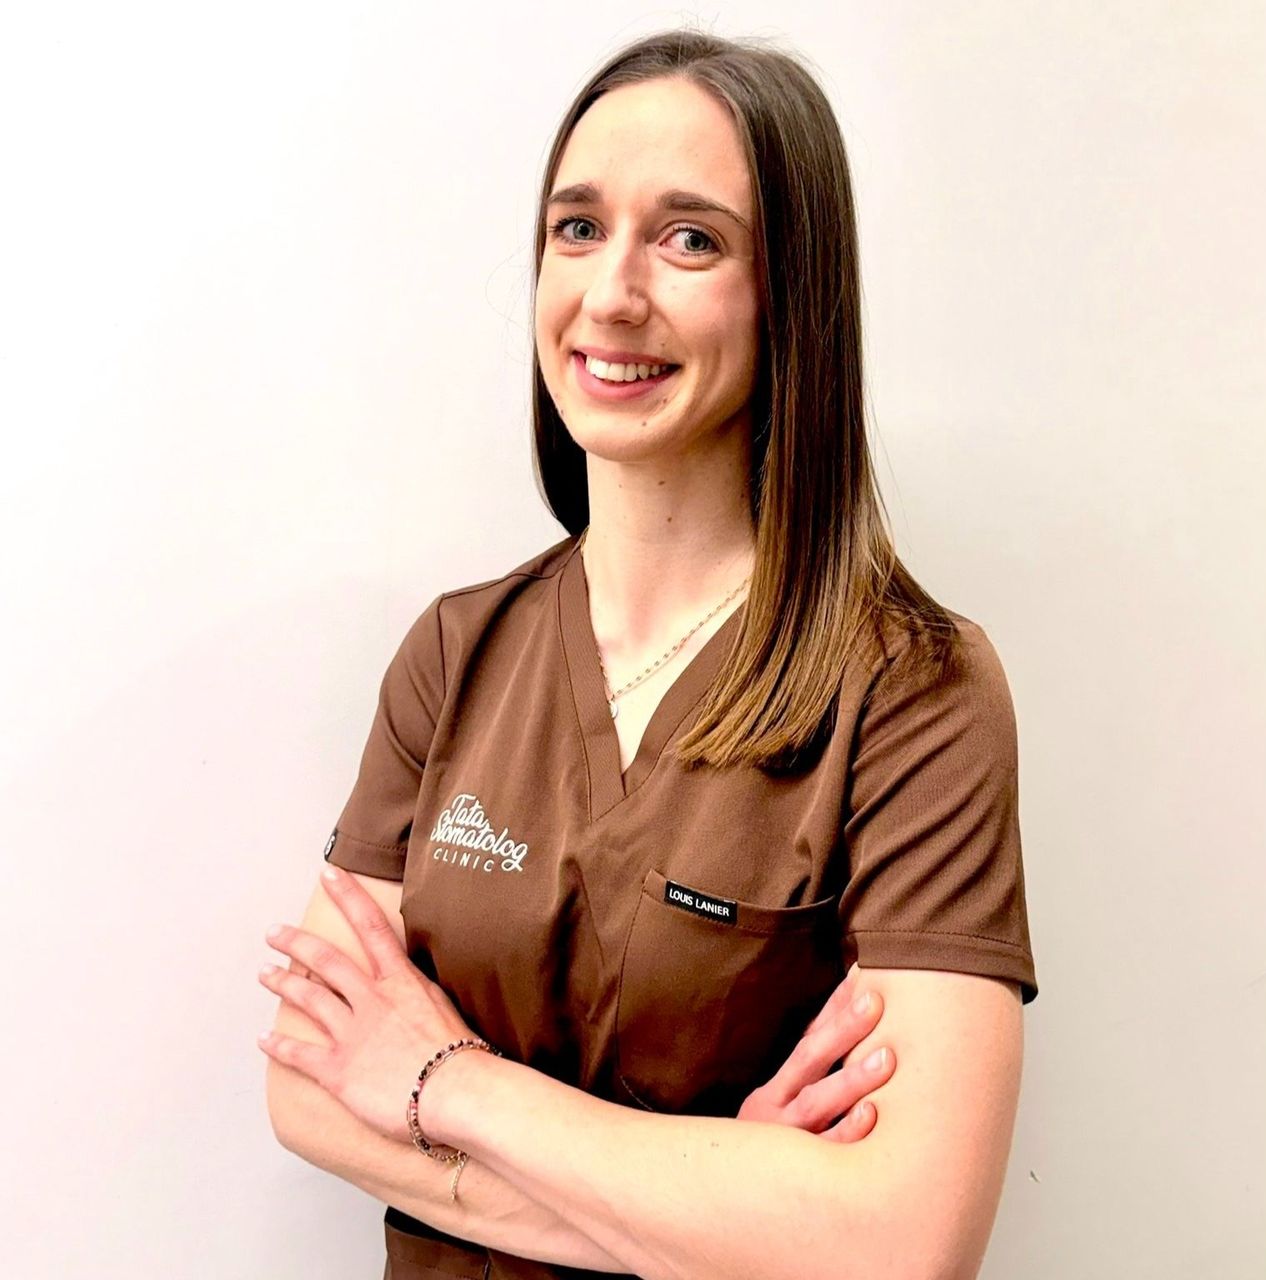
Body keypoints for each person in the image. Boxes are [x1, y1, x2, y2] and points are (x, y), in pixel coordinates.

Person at [260, 27, 1038, 1280]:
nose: (611, 293)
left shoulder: (913, 693)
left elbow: (902, 1243)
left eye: (688, 240)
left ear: (791, 292)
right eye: (577, 228)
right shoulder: (455, 653)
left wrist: (443, 1080)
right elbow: (307, 1084)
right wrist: (723, 1214)